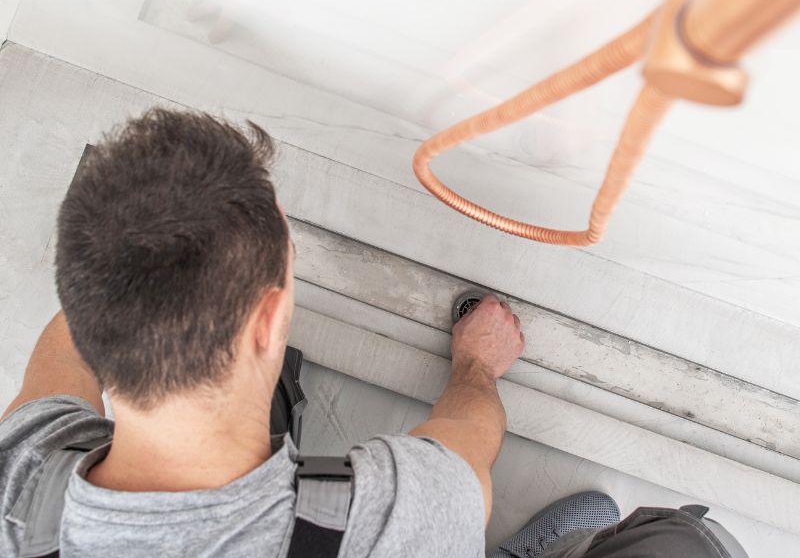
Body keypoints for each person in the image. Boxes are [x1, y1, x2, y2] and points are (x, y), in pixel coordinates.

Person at [0, 109, 748, 558]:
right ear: (268, 320)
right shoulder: (399, 526)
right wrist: (477, 369)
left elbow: (59, 361)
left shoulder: (18, 497)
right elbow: (468, 437)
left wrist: (121, 257)